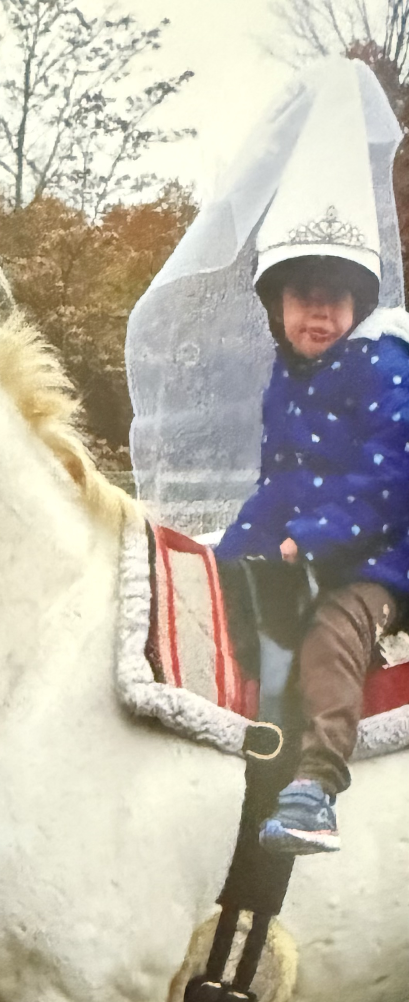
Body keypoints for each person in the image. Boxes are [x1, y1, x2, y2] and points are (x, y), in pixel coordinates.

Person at [212, 68, 409, 855]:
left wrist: (316, 538)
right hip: (306, 547)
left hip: (382, 559)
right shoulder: (282, 385)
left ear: (360, 303)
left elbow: (389, 478)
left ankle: (317, 784)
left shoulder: (387, 365)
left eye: (334, 295)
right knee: (221, 594)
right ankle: (230, 742)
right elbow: (278, 483)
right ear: (277, 306)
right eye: (302, 296)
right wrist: (233, 547)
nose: (318, 310)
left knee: (332, 631)